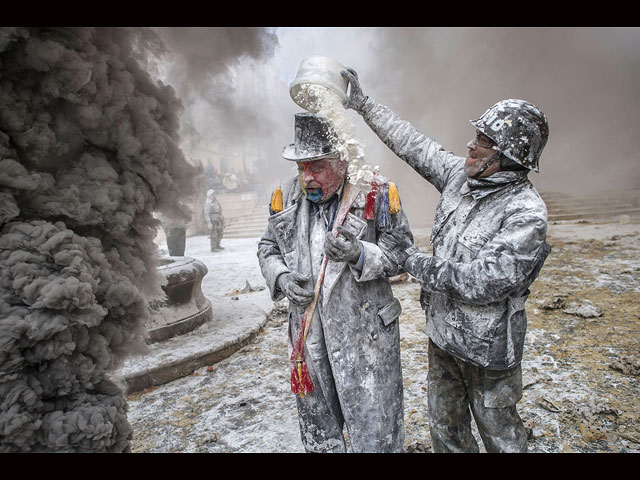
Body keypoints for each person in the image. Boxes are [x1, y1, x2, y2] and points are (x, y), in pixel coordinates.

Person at [341, 68, 551, 453]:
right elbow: (413, 144)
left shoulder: (526, 213)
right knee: (446, 434)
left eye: (484, 142)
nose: (470, 145)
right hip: (443, 340)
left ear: (507, 157)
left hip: (488, 353)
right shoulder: (460, 176)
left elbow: (483, 282)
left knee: (501, 438)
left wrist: (410, 260)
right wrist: (363, 105)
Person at [257, 112, 413, 453]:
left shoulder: (376, 191)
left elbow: (401, 253)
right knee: (319, 431)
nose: (307, 177)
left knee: (375, 430)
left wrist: (359, 254)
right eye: (301, 167)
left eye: (317, 167)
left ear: (341, 161)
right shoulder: (285, 195)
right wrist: (281, 277)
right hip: (309, 339)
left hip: (365, 335)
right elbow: (267, 248)